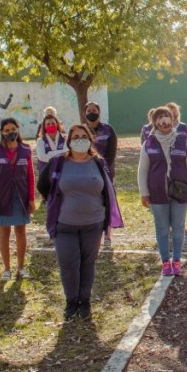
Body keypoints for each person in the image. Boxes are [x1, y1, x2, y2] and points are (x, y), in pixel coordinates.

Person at [38, 124, 124, 320]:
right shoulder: (58, 162)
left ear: (90, 140)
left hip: (93, 224)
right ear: (68, 141)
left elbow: (107, 191)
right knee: (68, 263)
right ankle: (71, 302)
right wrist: (54, 201)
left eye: (83, 136)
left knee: (87, 264)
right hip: (64, 225)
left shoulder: (99, 163)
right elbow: (43, 185)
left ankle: (85, 302)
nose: (79, 140)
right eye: (75, 136)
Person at [138, 106, 187, 276]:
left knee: (178, 227)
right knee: (162, 228)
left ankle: (177, 261)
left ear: (173, 120)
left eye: (167, 117)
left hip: (181, 192)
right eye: (160, 118)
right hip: (157, 193)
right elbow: (142, 169)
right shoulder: (148, 143)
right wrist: (144, 192)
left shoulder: (183, 141)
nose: (164, 121)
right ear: (155, 123)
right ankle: (165, 261)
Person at [0, 118, 35, 281]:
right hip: (2, 197)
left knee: (21, 230)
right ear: (1, 132)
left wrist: (31, 198)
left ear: (18, 130)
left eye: (13, 129)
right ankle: (6, 268)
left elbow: (30, 175)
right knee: (4, 231)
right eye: (6, 130)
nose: (10, 132)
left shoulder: (26, 149)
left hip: (20, 196)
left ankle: (21, 267)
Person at [84, 101, 118, 248]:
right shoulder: (81, 130)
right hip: (86, 172)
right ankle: (92, 233)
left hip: (105, 171)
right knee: (90, 202)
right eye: (89, 110)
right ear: (85, 113)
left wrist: (103, 166)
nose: (92, 112)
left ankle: (108, 235)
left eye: (94, 110)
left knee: (107, 202)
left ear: (99, 112)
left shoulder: (108, 129)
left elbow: (112, 151)